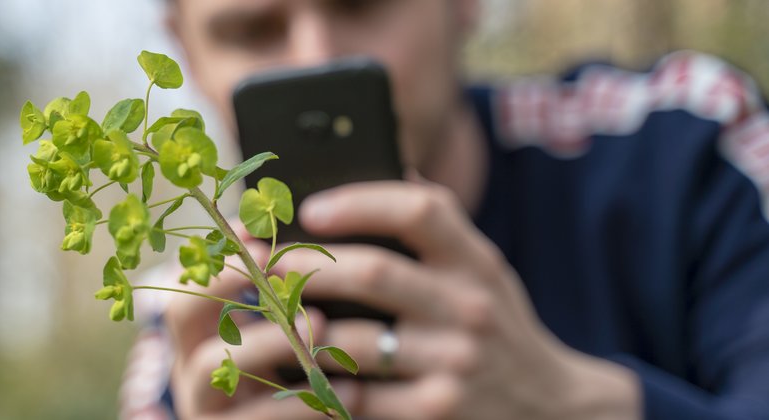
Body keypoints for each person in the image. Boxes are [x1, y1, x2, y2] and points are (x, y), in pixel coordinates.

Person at [119, 1, 769, 419]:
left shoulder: (682, 145)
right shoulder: (197, 327)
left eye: (361, 3)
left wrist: (572, 405)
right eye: (255, 30)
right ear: (188, 56)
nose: (316, 57)